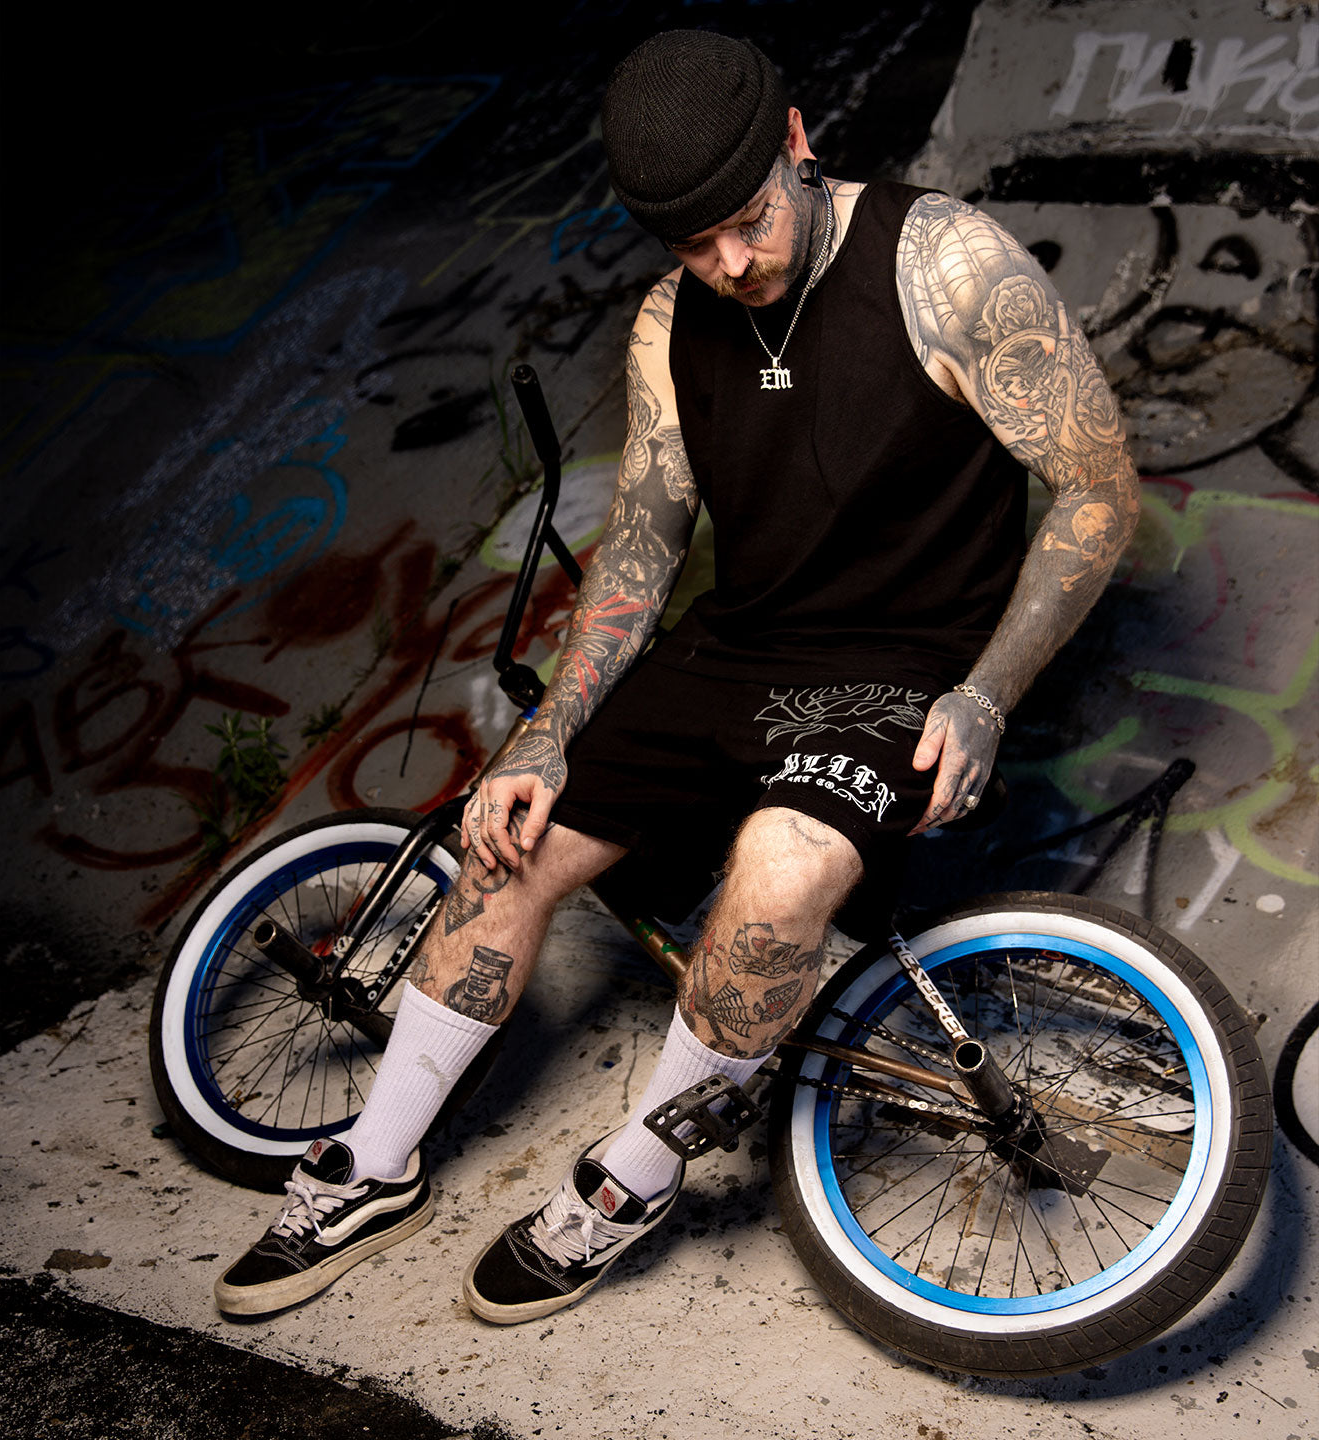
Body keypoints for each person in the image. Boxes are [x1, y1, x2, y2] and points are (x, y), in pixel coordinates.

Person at [214, 29, 1139, 1324]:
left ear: (800, 144)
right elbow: (642, 550)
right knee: (504, 843)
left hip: (896, 667)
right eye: (694, 245)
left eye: (749, 223)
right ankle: (371, 1164)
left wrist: (983, 692)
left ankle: (628, 1181)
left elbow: (1098, 485)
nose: (732, 264)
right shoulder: (670, 322)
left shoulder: (948, 268)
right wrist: (549, 736)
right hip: (737, 645)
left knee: (774, 886)